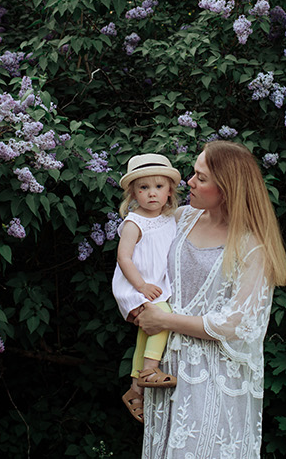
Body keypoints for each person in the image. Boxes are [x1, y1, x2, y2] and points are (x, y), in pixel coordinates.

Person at [132, 141, 286, 457]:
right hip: (167, 369)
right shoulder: (181, 219)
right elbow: (142, 256)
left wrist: (165, 319)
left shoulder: (252, 245)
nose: (189, 182)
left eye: (201, 178)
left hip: (215, 375)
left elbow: (238, 322)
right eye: (194, 173)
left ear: (228, 189)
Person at [111, 154, 182, 423]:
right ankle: (150, 370)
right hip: (136, 286)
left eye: (159, 187)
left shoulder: (171, 218)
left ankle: (135, 389)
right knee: (161, 318)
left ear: (170, 191)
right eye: (144, 188)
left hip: (157, 286)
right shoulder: (134, 223)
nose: (152, 194)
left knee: (148, 329)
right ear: (132, 193)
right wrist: (140, 286)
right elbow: (124, 258)